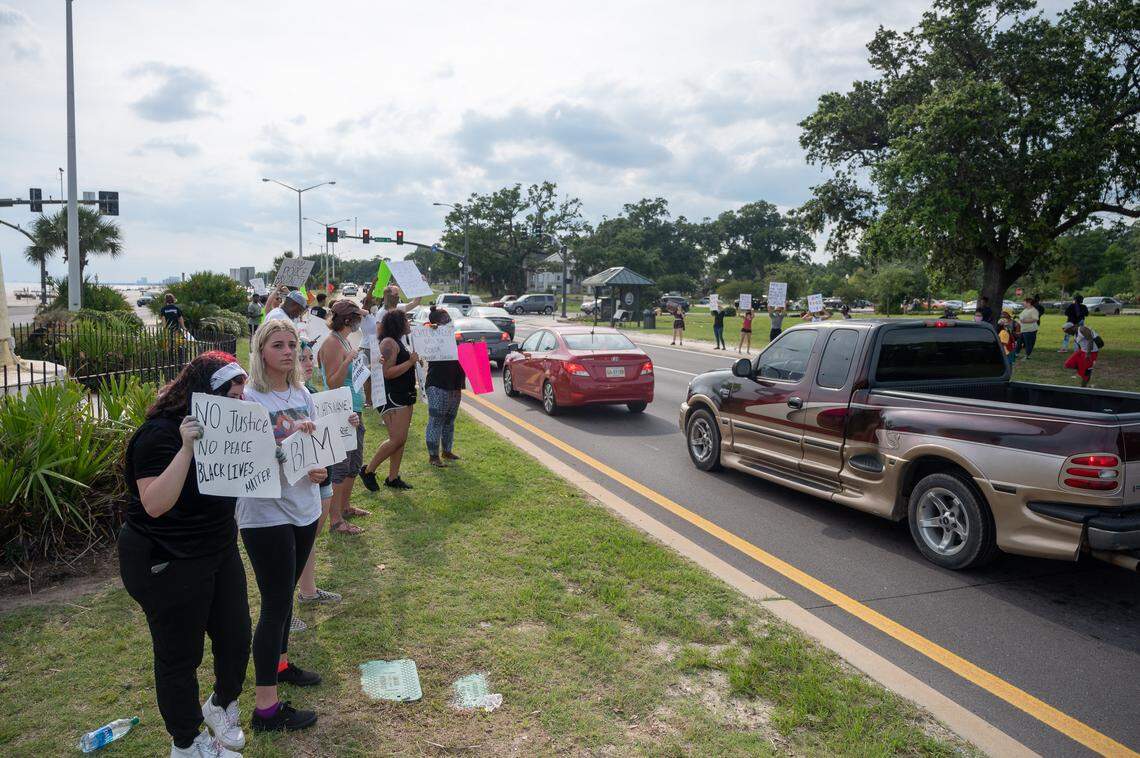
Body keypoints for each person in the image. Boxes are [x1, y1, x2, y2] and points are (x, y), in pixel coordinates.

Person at [118, 351, 250, 758]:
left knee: (236, 635)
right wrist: (186, 449)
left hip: (218, 547)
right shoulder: (158, 434)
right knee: (180, 653)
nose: (240, 401)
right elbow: (155, 502)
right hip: (167, 558)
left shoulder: (231, 427)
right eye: (231, 393)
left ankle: (221, 702)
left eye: (242, 392)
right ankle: (187, 743)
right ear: (204, 395)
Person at [238, 319, 326, 734]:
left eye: (293, 344)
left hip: (303, 506)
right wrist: (286, 444)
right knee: (274, 604)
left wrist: (317, 467)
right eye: (279, 345)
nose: (289, 351)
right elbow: (249, 460)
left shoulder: (303, 393)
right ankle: (266, 710)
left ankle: (282, 663)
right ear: (261, 351)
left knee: (286, 595)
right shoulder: (249, 399)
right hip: (265, 513)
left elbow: (310, 452)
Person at [295, 339, 356, 611]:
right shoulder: (292, 396)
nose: (308, 363)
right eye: (302, 358)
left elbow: (329, 429)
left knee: (310, 540)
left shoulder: (311, 391)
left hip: (324, 473)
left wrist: (348, 421)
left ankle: (308, 591)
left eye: (310, 358)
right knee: (301, 541)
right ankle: (289, 600)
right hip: (309, 477)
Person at [316, 300, 373, 534]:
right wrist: (349, 360)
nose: (361, 319)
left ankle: (345, 507)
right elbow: (332, 381)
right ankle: (336, 519)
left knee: (354, 463)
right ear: (348, 319)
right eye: (358, 316)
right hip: (340, 412)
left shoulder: (344, 339)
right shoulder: (332, 343)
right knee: (340, 466)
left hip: (353, 409)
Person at [360, 309, 420, 491]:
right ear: (398, 324)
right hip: (392, 396)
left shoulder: (398, 342)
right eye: (406, 320)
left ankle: (393, 477)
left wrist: (413, 363)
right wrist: (409, 363)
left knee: (401, 440)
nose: (409, 323)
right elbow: (387, 373)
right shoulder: (388, 343)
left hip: (404, 394)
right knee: (396, 438)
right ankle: (368, 470)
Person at [423, 306, 466, 467]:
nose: (449, 321)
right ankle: (433, 456)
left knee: (450, 419)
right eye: (445, 319)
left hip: (454, 384)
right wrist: (431, 330)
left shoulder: (454, 336)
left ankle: (447, 451)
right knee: (436, 420)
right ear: (437, 323)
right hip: (438, 384)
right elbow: (420, 338)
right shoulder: (432, 336)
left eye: (449, 318)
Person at [1062, 321, 1100, 386]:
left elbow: (1090, 339)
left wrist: (1088, 353)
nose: (1068, 333)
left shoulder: (1082, 329)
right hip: (1082, 351)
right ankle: (1084, 368)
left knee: (1085, 373)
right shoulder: (1074, 334)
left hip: (1091, 352)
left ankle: (1083, 388)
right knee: (1068, 364)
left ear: (1072, 327)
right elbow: (1080, 344)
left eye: (1068, 331)